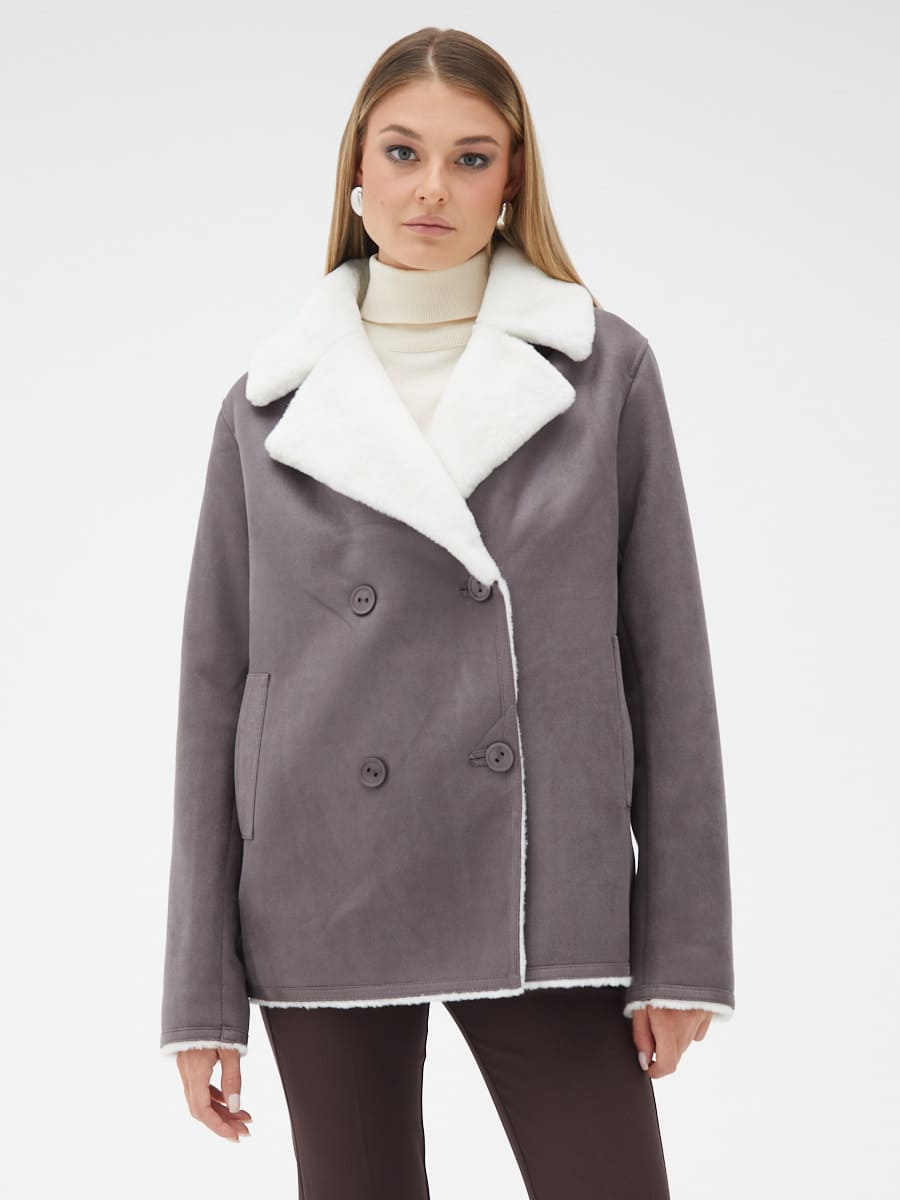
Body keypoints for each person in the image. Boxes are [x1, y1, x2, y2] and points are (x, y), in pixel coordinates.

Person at [159, 26, 735, 1200]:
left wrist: (681, 951)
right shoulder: (266, 407)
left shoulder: (598, 372)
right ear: (355, 172)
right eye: (403, 151)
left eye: (471, 158)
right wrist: (200, 994)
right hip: (324, 879)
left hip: (546, 887)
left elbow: (668, 665)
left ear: (511, 180)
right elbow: (217, 693)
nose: (432, 187)